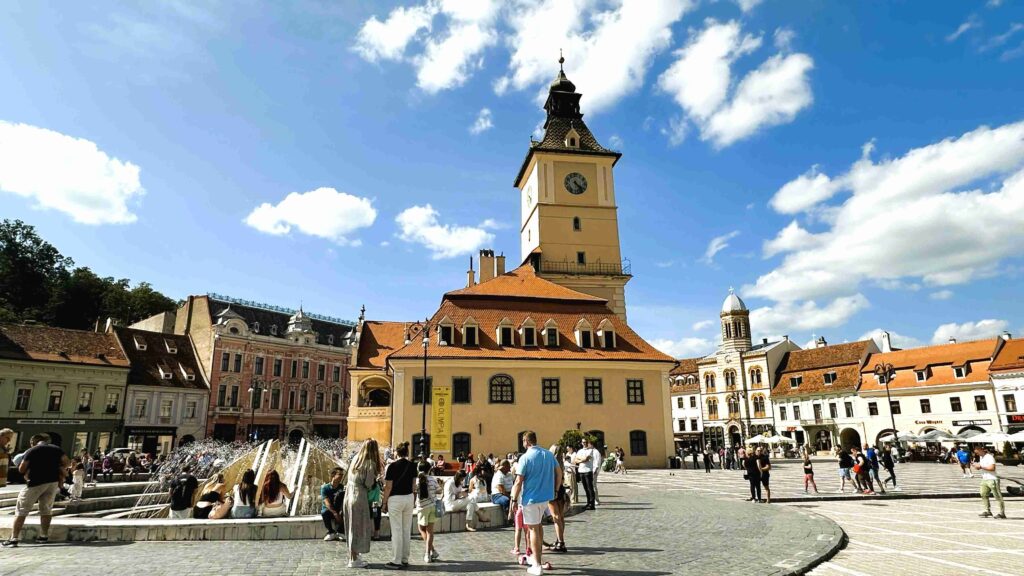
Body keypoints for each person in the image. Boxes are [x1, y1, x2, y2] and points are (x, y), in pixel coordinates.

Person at [2, 434, 67, 547]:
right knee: (46, 510)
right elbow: (67, 463)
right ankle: (43, 536)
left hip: (35, 482)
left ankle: (14, 538)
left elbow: (22, 469)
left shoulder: (32, 450)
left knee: (21, 510)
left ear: (34, 442)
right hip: (52, 482)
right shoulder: (56, 449)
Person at [511, 431, 559, 576]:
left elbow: (519, 481)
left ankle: (537, 565)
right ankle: (536, 557)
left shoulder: (525, 458)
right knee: (538, 526)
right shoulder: (548, 455)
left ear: (526, 441)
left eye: (523, 441)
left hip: (530, 499)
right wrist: (556, 489)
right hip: (545, 497)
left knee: (532, 529)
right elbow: (559, 472)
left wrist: (514, 499)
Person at [344, 438, 383, 569]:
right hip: (359, 496)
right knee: (359, 527)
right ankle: (354, 560)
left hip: (349, 494)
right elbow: (368, 484)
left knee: (351, 526)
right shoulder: (370, 463)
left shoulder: (356, 459)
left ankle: (353, 555)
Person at [382, 442, 416, 570]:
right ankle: (404, 558)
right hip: (409, 497)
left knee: (396, 530)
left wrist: (384, 503)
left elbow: (388, 487)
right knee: (406, 530)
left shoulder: (392, 467)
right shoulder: (413, 466)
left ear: (397, 452)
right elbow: (414, 486)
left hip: (395, 499)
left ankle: (396, 560)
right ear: (407, 452)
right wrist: (413, 499)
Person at [413, 461, 441, 564]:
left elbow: (414, 491)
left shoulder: (417, 480)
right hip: (432, 506)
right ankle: (430, 552)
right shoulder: (433, 480)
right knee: (430, 531)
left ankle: (429, 551)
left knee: (421, 528)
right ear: (429, 469)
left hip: (422, 507)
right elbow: (439, 491)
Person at [545, 445, 569, 554]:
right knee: (561, 516)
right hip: (561, 489)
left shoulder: (550, 463)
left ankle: (560, 542)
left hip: (552, 489)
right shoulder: (561, 463)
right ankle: (560, 539)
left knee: (556, 517)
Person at [972, 445, 1006, 519]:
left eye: (977, 453)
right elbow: (984, 467)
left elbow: (992, 468)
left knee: (998, 496)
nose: (977, 454)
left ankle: (1002, 513)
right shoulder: (982, 457)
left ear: (981, 450)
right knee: (983, 494)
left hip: (992, 479)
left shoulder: (989, 457)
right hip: (985, 479)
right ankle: (987, 511)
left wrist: (980, 467)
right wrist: (977, 466)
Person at [321, 467, 346, 541]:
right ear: (333, 475)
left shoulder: (342, 487)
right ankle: (330, 532)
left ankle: (340, 532)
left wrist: (341, 509)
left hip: (339, 509)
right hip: (330, 510)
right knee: (324, 512)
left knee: (347, 511)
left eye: (342, 474)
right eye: (339, 474)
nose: (341, 476)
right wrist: (335, 514)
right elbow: (327, 503)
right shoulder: (325, 488)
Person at [573, 438, 597, 510]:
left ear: (588, 443)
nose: (584, 443)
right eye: (583, 442)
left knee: (590, 488)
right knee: (585, 488)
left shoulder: (591, 450)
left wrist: (580, 460)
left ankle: (591, 504)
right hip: (581, 471)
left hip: (588, 471)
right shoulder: (580, 451)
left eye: (586, 442)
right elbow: (575, 460)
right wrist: (581, 460)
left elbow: (586, 459)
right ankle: (588, 502)